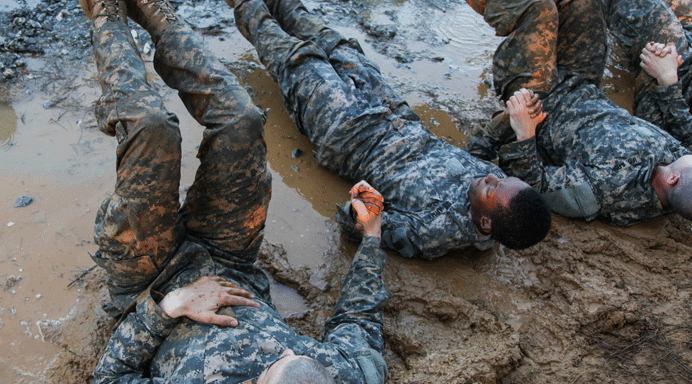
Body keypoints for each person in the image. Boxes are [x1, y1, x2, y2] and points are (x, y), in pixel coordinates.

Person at [79, 0, 389, 381]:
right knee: (242, 120)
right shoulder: (342, 374)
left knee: (151, 127)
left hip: (149, 280)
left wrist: (166, 306)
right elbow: (360, 324)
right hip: (229, 260)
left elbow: (109, 378)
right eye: (288, 355)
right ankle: (161, 22)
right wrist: (372, 236)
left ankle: (104, 13)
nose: (280, 351)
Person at [227, 0, 552, 260]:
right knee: (331, 41)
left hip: (349, 133)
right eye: (501, 177)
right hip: (393, 112)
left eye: (493, 188)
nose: (491, 177)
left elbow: (361, 226)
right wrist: (510, 123)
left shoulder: (432, 232)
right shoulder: (493, 189)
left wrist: (361, 208)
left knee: (295, 56)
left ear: (484, 223)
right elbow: (478, 152)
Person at [463, 0, 692, 225]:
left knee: (539, 8)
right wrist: (668, 80)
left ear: (672, 179)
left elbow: (534, 185)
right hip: (583, 81)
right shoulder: (680, 164)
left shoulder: (608, 190)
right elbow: (682, 132)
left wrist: (524, 134)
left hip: (540, 98)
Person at [606, 0, 692, 150]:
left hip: (669, 102)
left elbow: (685, 144)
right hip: (684, 59)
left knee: (648, 9)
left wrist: (669, 80)